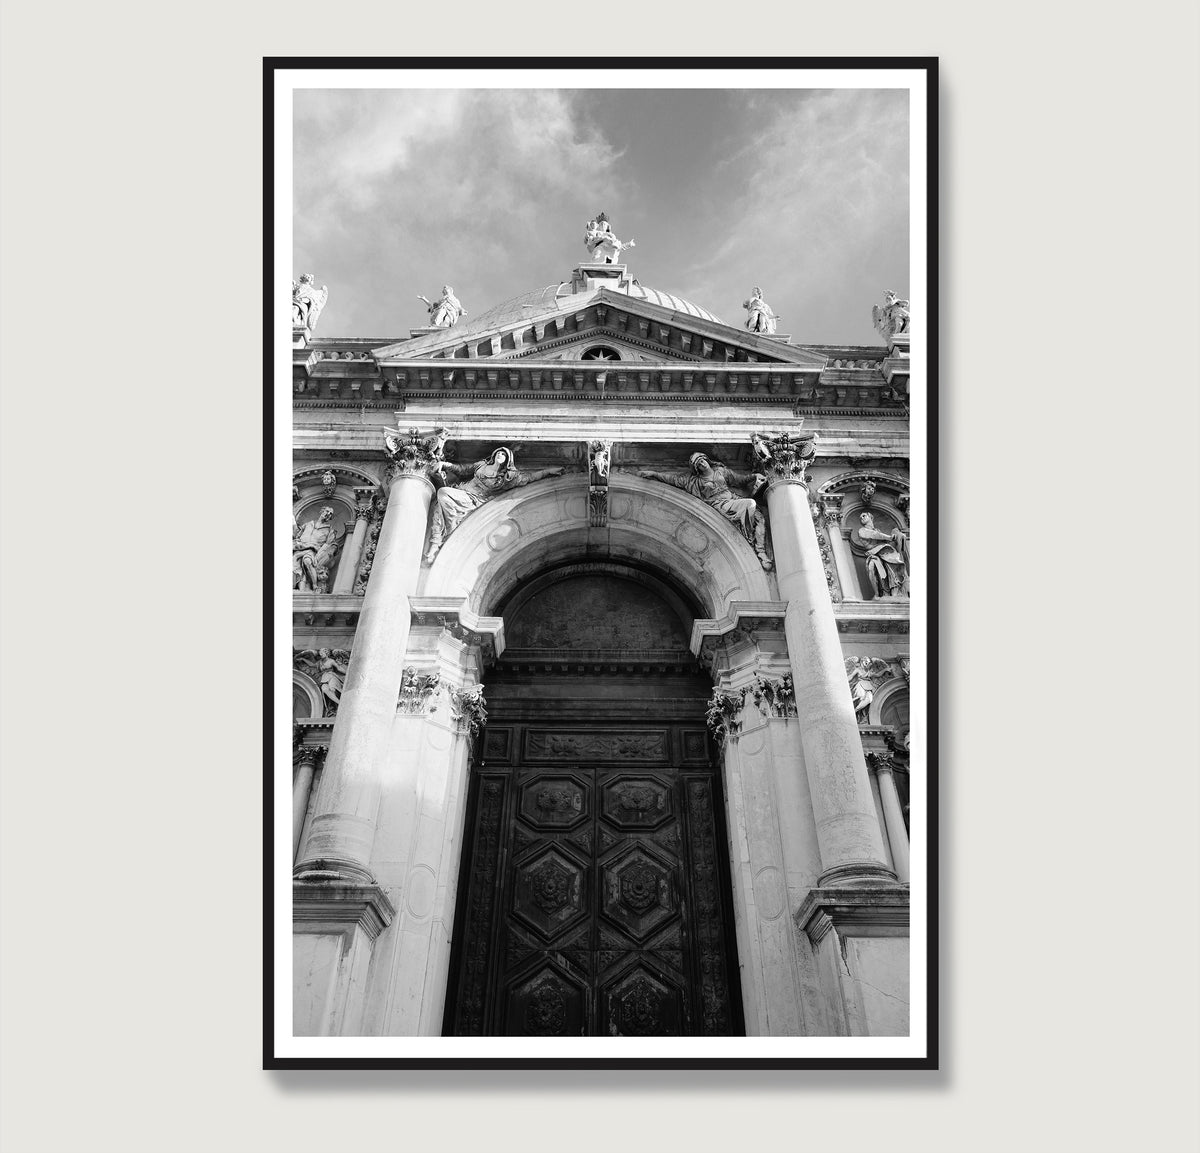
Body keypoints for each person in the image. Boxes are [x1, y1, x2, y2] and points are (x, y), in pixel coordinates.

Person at [425, 448, 565, 563]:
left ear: (507, 460)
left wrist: (547, 471)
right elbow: (462, 469)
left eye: (503, 454)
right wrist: (444, 464)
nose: (500, 455)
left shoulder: (507, 478)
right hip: (462, 491)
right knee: (441, 501)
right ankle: (439, 540)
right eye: (498, 453)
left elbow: (530, 478)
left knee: (443, 494)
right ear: (494, 455)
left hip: (474, 501)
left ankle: (445, 536)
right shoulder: (481, 465)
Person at [640, 453, 772, 570]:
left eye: (702, 461)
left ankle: (760, 551)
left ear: (707, 460)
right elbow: (673, 480)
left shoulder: (721, 471)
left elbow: (739, 480)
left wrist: (755, 476)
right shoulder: (694, 481)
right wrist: (654, 474)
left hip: (733, 499)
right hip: (721, 505)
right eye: (698, 464)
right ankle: (748, 537)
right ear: (697, 469)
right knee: (750, 504)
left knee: (759, 516)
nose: (702, 464)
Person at [858, 511, 909, 597]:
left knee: (892, 563)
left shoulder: (877, 530)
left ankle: (895, 589)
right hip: (874, 554)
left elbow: (885, 540)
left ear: (871, 517)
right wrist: (890, 537)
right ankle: (880, 593)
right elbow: (874, 535)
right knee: (873, 566)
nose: (862, 518)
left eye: (864, 516)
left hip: (884, 552)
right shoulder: (862, 530)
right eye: (860, 518)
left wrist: (898, 535)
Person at [292, 506, 342, 591]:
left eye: (330, 514)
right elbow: (297, 536)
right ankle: (301, 587)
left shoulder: (329, 529)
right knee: (296, 563)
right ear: (321, 511)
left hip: (314, 550)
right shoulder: (308, 524)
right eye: (327, 511)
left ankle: (314, 585)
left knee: (307, 560)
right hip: (300, 548)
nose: (328, 514)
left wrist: (330, 550)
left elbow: (331, 543)